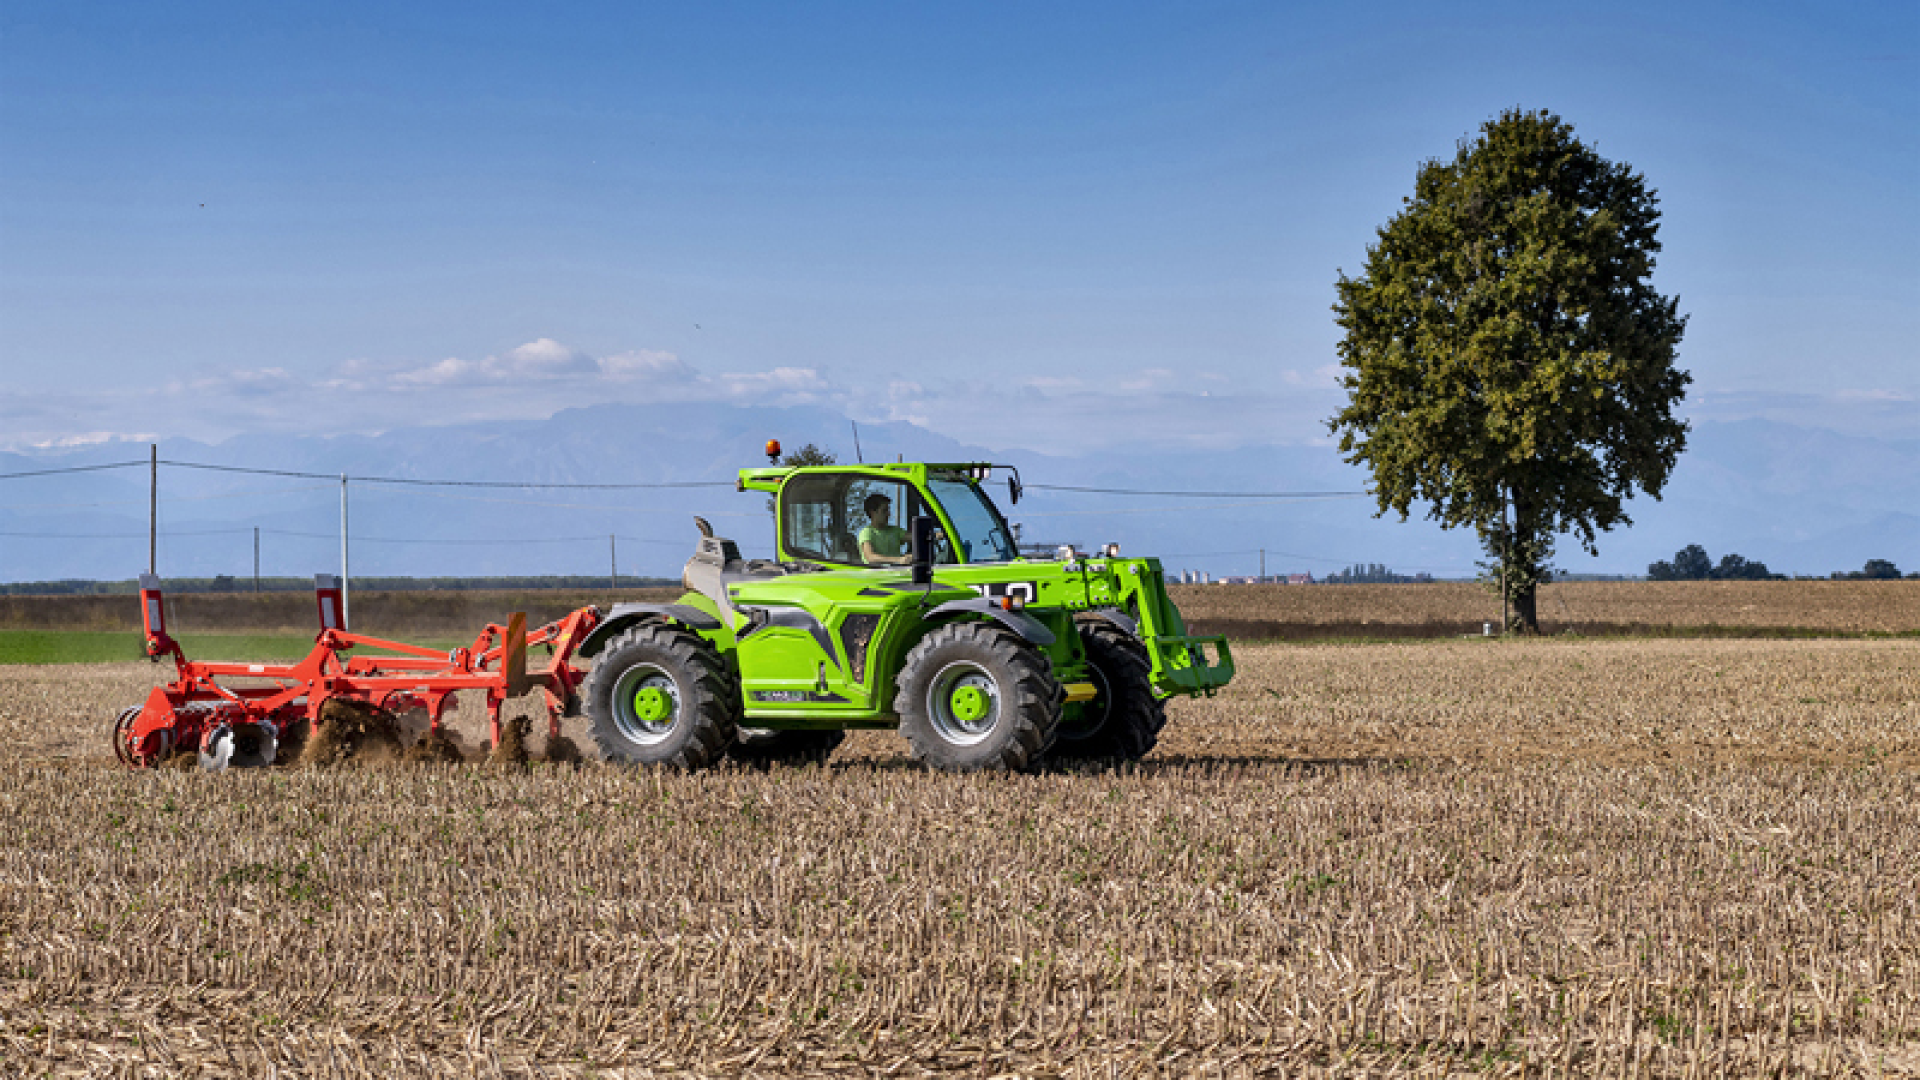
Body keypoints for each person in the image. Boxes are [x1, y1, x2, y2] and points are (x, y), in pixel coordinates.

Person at [857, 493, 912, 566]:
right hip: (877, 575)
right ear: (873, 513)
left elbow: (915, 538)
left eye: (888, 510)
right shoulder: (867, 532)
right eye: (884, 511)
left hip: (899, 573)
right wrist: (899, 559)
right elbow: (870, 557)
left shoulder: (895, 531)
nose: (888, 514)